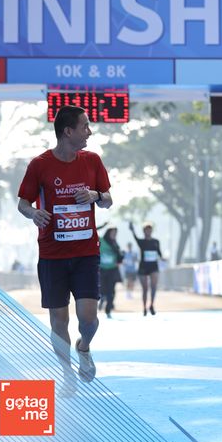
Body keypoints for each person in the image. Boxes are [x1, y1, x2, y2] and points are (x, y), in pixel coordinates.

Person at [17, 105, 112, 390]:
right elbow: (23, 203)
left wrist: (95, 195)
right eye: (85, 126)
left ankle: (84, 347)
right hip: (52, 255)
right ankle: (67, 373)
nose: (89, 132)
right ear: (68, 132)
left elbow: (108, 200)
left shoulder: (93, 161)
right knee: (59, 320)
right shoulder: (40, 165)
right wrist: (34, 213)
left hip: (86, 253)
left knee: (89, 319)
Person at [129, 221, 163, 316]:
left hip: (153, 266)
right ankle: (144, 307)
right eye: (146, 230)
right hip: (143, 267)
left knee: (154, 286)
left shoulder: (156, 241)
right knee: (145, 288)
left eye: (150, 230)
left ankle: (151, 305)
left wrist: (163, 258)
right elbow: (135, 237)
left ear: (151, 231)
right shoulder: (141, 242)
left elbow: (159, 253)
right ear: (144, 231)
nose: (148, 231)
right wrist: (132, 230)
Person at [99, 227, 123, 319]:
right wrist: (103, 225)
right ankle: (102, 298)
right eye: (113, 233)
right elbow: (93, 230)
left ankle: (108, 309)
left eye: (115, 233)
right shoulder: (101, 240)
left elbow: (119, 258)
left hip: (112, 270)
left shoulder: (115, 244)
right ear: (108, 233)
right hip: (101, 269)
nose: (114, 235)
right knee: (102, 289)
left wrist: (121, 256)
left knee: (111, 291)